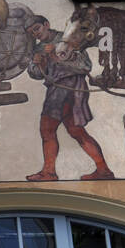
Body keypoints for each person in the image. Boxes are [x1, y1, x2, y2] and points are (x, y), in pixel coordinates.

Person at [25, 15, 113, 181]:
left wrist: (57, 57)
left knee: (47, 129)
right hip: (56, 90)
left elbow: (85, 65)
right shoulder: (38, 49)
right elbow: (35, 74)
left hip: (68, 88)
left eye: (36, 29)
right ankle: (103, 170)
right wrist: (38, 63)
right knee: (76, 131)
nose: (35, 34)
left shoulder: (66, 39)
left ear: (46, 24)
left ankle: (49, 172)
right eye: (31, 32)